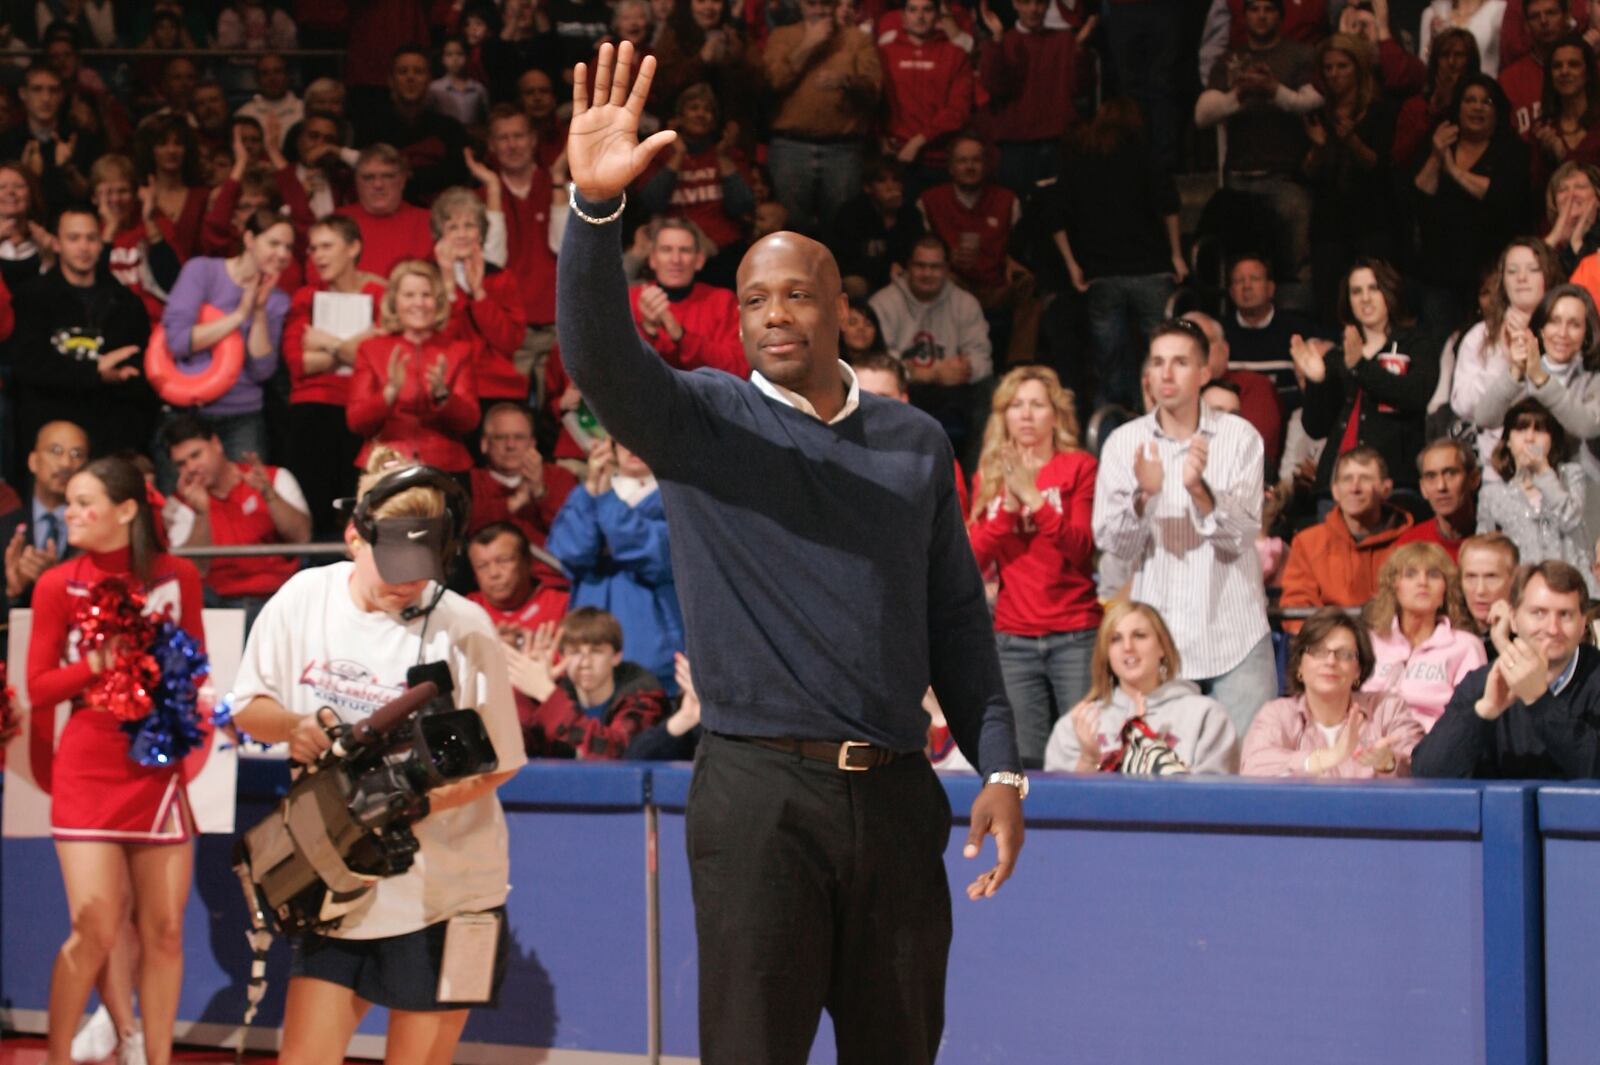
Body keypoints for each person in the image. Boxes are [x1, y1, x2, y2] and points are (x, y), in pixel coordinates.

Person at [559, 43, 1023, 1063]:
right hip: (756, 794)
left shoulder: (911, 442)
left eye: (795, 295)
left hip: (900, 795)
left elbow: (955, 618)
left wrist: (1002, 770)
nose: (772, 314)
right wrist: (594, 215)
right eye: (753, 299)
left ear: (838, 308)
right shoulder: (703, 419)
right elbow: (597, 355)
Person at [231, 452, 525, 1065]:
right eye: (393, 567)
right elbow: (246, 706)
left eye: (421, 572)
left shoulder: (464, 627)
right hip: (336, 882)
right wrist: (296, 725)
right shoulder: (304, 598)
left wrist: (406, 803)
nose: (406, 585)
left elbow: (499, 763)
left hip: (447, 892)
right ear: (353, 537)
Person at [27, 456, 205, 1065]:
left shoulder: (177, 576)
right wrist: (96, 667)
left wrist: (180, 711)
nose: (71, 513)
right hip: (88, 763)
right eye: (68, 502)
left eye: (84, 503)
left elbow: (196, 665)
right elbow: (40, 686)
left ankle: (153, 1056)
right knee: (97, 929)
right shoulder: (57, 583)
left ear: (127, 510)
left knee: (165, 931)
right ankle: (57, 1056)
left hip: (154, 764)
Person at [1093, 317, 1276, 736]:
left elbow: (1241, 537)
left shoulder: (1239, 438)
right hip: (1161, 641)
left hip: (1236, 633)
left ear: (1204, 372)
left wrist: (1201, 493)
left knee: (1244, 778)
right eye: (1157, 362)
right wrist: (1144, 497)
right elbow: (1112, 542)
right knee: (1163, 775)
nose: (1166, 373)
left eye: (1179, 362)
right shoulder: (1124, 443)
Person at [967, 366, 1100, 768]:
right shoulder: (988, 475)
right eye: (1016, 405)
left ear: (1055, 415)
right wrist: (1008, 508)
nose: (1026, 415)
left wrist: (1036, 500)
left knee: (1081, 753)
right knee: (1026, 760)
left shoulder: (1078, 467)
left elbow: (1081, 550)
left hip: (1075, 633)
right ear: (1003, 415)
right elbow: (971, 557)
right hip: (1013, 639)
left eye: (1037, 405)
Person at [1052, 99, 1187, 411]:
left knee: (1108, 367)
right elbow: (1170, 206)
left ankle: (1109, 437)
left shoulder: (1080, 160)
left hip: (1103, 272)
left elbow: (1056, 216)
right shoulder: (1145, 155)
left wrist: (1073, 265)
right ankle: (1157, 426)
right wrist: (1177, 255)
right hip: (1150, 269)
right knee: (1162, 360)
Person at [1413, 559, 1600, 777]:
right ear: (1512, 619)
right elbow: (1426, 774)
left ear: (1582, 624)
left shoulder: (1595, 679)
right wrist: (1482, 713)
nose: (1552, 628)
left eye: (1565, 615)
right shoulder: (1483, 683)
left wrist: (1539, 702)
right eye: (1538, 613)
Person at [1195, 0, 1323, 312]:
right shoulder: (1231, 59)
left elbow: (1314, 100)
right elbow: (1202, 115)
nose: (1261, 16)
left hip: (1285, 180)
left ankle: (1296, 326)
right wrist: (1239, 93)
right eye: (1254, 9)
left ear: (1280, 15)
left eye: (1268, 9)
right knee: (1237, 263)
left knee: (1295, 262)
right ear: (1245, 15)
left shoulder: (1298, 55)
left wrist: (1273, 90)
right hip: (1239, 180)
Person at [11, 205, 155, 464]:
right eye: (73, 238)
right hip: (49, 435)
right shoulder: (31, 298)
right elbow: (26, 365)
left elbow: (140, 371)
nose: (84, 247)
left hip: (111, 438)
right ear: (56, 244)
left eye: (91, 238)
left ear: (102, 244)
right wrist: (93, 371)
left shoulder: (125, 302)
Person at [546, 437, 683, 695]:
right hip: (589, 638)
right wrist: (591, 493)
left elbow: (656, 555)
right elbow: (569, 551)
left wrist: (607, 503)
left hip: (653, 647)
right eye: (623, 438)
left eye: (642, 436)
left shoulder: (676, 498)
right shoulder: (587, 492)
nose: (634, 446)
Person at [1291, 259, 1439, 497]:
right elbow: (1316, 427)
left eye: (1373, 288)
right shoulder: (1338, 354)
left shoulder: (1416, 344)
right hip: (1337, 487)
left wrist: (1360, 366)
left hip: (1394, 484)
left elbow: (1415, 395)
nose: (1365, 298)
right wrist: (1317, 383)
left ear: (1389, 292)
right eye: (1356, 291)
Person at [159, 209, 294, 464]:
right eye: (274, 243)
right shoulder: (202, 271)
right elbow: (177, 342)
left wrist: (259, 310)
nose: (283, 254)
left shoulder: (277, 300)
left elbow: (262, 371)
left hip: (242, 416)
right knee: (181, 500)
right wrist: (240, 315)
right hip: (187, 413)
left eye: (288, 247)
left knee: (245, 498)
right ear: (249, 239)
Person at [1043, 601, 1239, 774]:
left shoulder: (1206, 716)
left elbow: (1212, 804)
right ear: (1106, 654)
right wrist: (1088, 760)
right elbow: (1060, 806)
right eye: (1115, 639)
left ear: (1163, 647)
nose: (1127, 646)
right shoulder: (1076, 724)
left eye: (1139, 635)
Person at [282, 214, 386, 540]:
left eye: (327, 246)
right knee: (316, 511)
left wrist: (327, 343)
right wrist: (356, 345)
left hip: (362, 410)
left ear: (353, 247)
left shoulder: (380, 295)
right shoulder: (305, 297)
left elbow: (379, 361)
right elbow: (299, 362)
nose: (318, 256)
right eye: (313, 248)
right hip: (311, 411)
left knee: (358, 509)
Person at [161, 412, 311, 631]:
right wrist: (201, 513)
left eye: (196, 455)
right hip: (217, 606)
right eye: (182, 464)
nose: (191, 468)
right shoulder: (178, 504)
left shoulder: (273, 478)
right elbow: (195, 569)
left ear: (216, 444)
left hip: (278, 597)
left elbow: (302, 538)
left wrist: (269, 496)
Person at [1241, 606, 1424, 776]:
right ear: (1299, 666)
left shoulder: (1386, 709)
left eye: (1344, 654)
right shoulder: (1277, 714)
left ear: (1358, 670)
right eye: (1318, 651)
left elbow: (1422, 767)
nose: (1330, 662)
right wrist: (1321, 759)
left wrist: (1389, 763)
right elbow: (1252, 767)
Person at [1411, 74, 1531, 335]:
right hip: (1439, 270)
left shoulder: (1511, 150)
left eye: (1486, 102)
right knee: (1438, 345)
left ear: (1497, 111)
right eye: (1469, 100)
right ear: (1457, 108)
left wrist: (1453, 172)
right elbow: (1421, 193)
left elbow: (1501, 195)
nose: (1477, 107)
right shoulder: (1440, 144)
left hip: (1488, 272)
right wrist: (1436, 154)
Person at [347, 260, 481, 474]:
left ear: (437, 301)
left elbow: (469, 421)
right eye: (409, 295)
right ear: (394, 301)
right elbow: (356, 422)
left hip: (445, 468)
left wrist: (443, 396)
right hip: (385, 466)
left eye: (426, 295)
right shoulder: (371, 350)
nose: (418, 303)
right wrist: (389, 393)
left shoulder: (458, 350)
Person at [869, 235, 994, 462]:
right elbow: (876, 361)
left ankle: (976, 482)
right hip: (905, 390)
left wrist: (964, 369)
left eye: (935, 267)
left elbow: (982, 360)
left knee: (988, 390)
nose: (927, 273)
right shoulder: (882, 303)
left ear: (947, 269)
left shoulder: (965, 303)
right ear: (908, 266)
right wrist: (931, 373)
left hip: (952, 391)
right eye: (920, 266)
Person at [763, 0, 883, 235]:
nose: (818, 10)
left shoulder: (857, 39)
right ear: (800, 5)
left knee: (842, 230)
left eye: (825, 4)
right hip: (791, 147)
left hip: (843, 149)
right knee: (791, 231)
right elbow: (771, 82)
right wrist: (808, 45)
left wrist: (846, 80)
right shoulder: (782, 36)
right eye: (812, 4)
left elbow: (874, 91)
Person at [1303, 33, 1397, 323]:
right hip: (1329, 222)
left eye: (1342, 66)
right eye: (1328, 67)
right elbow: (1305, 173)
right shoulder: (1316, 113)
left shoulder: (1381, 111)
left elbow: (1381, 166)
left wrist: (1352, 141)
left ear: (1358, 68)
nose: (1334, 74)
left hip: (1372, 219)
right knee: (1330, 305)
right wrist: (1319, 148)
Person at [1449, 237, 1561, 468]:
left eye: (1533, 269)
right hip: (1498, 469)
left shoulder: (1565, 331)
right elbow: (1464, 405)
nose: (1521, 278)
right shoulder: (1480, 336)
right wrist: (1503, 363)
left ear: (1548, 277)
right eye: (1512, 271)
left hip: (1559, 464)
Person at [501, 606, 669, 757]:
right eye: (574, 652)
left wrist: (546, 694)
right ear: (562, 657)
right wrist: (526, 695)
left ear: (616, 656)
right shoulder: (558, 689)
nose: (585, 663)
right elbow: (515, 748)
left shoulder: (644, 695)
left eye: (596, 652)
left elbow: (616, 751)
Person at [1280, 447, 1415, 625]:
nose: (1354, 488)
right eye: (1347, 479)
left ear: (1386, 489)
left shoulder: (1411, 543)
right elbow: (1296, 609)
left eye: (1365, 479)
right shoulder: (1308, 543)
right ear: (1335, 491)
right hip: (1329, 645)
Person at [1361, 541, 1488, 730]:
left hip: (1432, 748)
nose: (1422, 582)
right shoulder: (1370, 642)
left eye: (1433, 574)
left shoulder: (1465, 646)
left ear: (1445, 590)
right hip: (1367, 743)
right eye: (1410, 574)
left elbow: (1470, 718)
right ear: (1395, 586)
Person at [1477, 397, 1597, 589]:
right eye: (1521, 429)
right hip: (1524, 596)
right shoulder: (1492, 495)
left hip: (1576, 592)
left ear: (1553, 439)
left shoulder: (1571, 476)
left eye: (1539, 430)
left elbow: (1571, 519)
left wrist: (1543, 472)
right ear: (1507, 440)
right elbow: (1485, 556)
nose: (1529, 438)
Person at [1471, 282, 1600, 447]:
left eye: (1574, 324)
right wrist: (1515, 371)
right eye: (1554, 321)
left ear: (1587, 333)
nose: (1562, 333)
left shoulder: (1594, 378)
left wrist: (1541, 379)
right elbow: (1484, 418)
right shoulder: (1522, 374)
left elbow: (1589, 426)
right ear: (1541, 328)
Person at [977, 0, 1079, 196]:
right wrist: (996, 40)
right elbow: (994, 86)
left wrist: (1081, 50)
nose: (1033, 9)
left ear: (1048, 5)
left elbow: (1080, 87)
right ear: (1015, 4)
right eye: (1026, 2)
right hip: (1016, 143)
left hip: (1057, 140)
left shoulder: (1064, 40)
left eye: (1039, 3)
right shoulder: (1004, 42)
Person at [878, 0, 975, 195]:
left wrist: (919, 141)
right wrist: (879, 137)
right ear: (903, 17)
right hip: (894, 159)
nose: (920, 16)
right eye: (913, 10)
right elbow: (873, 101)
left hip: (940, 159)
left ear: (938, 16)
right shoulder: (884, 53)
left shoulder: (955, 54)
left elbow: (958, 109)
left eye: (927, 10)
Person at [354, 45, 468, 204]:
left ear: (429, 80)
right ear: (391, 80)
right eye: (403, 72)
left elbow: (458, 173)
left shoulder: (450, 128)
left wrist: (410, 174)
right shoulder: (371, 128)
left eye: (418, 72)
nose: (410, 78)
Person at [1185, 310, 1283, 473]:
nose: (1195, 352)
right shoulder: (1166, 390)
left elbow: (1247, 452)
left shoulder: (1254, 386)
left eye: (1203, 343)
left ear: (1225, 350)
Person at [3, 421, 87, 606]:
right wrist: (13, 590)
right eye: (55, 451)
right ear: (33, 461)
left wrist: (56, 579)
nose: (66, 463)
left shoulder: (94, 534)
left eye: (77, 455)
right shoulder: (5, 528)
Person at [824, 155, 926, 297]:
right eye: (882, 181)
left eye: (896, 180)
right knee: (853, 284)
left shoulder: (911, 214)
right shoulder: (852, 213)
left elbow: (918, 251)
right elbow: (844, 261)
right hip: (865, 280)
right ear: (868, 187)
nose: (891, 187)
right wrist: (884, 269)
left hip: (904, 278)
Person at [1220, 253, 1318, 399]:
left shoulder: (1299, 331)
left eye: (1254, 279)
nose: (1247, 286)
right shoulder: (1218, 333)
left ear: (1270, 288)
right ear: (1231, 292)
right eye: (1239, 281)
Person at [332, 145, 435, 280]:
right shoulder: (335, 222)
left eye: (388, 176)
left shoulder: (429, 222)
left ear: (402, 180)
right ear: (356, 181)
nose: (378, 185)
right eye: (368, 177)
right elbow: (315, 275)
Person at [466, 520, 570, 648]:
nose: (494, 573)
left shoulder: (563, 606)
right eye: (482, 566)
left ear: (528, 563)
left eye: (504, 561)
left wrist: (524, 646)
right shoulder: (464, 610)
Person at [1395, 26, 1481, 168]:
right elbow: (1400, 157)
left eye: (1459, 55)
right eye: (1444, 55)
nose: (1451, 62)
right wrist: (1433, 114)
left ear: (1470, 60)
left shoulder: (1482, 105)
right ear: (1435, 61)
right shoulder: (1415, 107)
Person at [1395, 438, 1482, 559]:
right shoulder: (1409, 546)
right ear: (1423, 488)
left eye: (1451, 473)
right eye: (1431, 477)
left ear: (1474, 479)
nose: (1441, 486)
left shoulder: (1499, 540)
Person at [1421, 0, 1510, 76]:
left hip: (1483, 90)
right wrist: (1433, 42)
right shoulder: (1433, 13)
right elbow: (1424, 63)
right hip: (1445, 92)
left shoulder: (1499, 9)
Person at [1459, 530, 1521, 630]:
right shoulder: (1446, 634)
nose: (1480, 590)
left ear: (1514, 580)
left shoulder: (1533, 636)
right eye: (1471, 576)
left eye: (1491, 577)